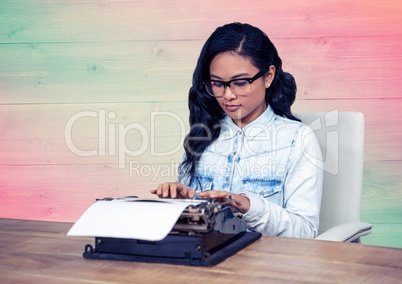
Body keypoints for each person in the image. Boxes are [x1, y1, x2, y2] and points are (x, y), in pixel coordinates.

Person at [150, 22, 323, 238]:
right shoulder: (202, 135)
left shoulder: (297, 139)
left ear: (268, 76)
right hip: (205, 261)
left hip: (265, 264)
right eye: (217, 83)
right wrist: (179, 204)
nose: (228, 95)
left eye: (240, 83)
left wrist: (249, 206)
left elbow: (305, 232)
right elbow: (192, 228)